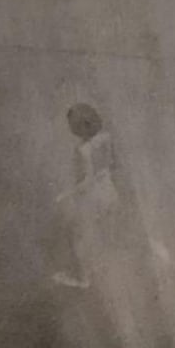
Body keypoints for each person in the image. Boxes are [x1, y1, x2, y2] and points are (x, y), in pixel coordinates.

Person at [52, 103, 120, 289]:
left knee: (81, 238)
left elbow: (87, 181)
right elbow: (113, 165)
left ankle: (83, 279)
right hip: (111, 192)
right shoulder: (107, 138)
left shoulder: (83, 150)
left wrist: (65, 194)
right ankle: (106, 275)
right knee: (106, 234)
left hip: (95, 197)